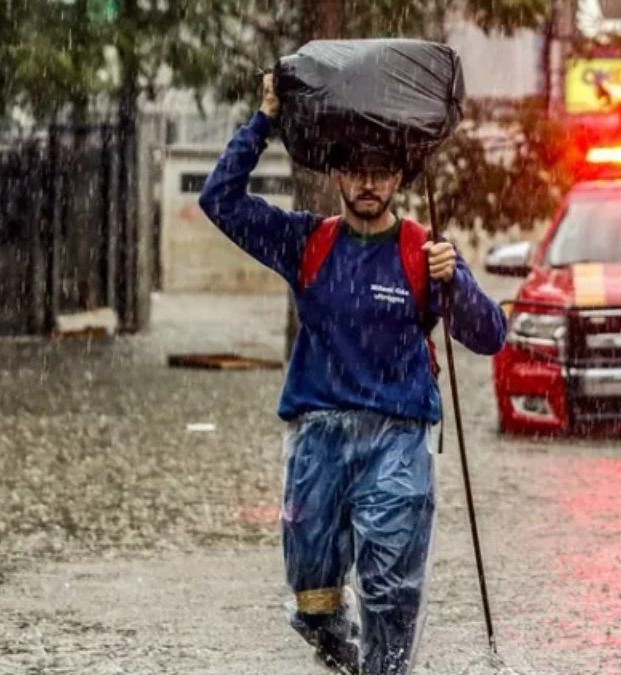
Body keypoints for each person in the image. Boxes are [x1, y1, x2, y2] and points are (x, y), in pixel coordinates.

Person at [198, 75, 507, 674]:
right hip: (317, 437)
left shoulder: (425, 251)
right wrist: (264, 121)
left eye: (382, 171)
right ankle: (339, 646)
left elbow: (491, 335)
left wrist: (457, 282)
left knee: (390, 591)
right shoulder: (305, 241)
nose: (369, 183)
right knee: (313, 598)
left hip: (399, 435)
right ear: (337, 175)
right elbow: (219, 201)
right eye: (357, 171)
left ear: (399, 179)